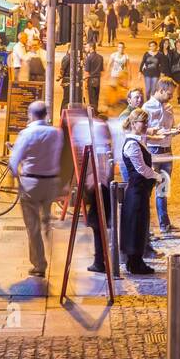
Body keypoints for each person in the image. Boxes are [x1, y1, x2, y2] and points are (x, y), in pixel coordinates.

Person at [7, 100, 64, 278]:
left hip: (31, 183)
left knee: (33, 226)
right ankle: (52, 242)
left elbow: (14, 162)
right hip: (51, 183)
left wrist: (16, 177)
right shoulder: (56, 133)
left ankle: (40, 264)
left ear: (31, 115)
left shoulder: (27, 133)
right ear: (46, 114)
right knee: (45, 217)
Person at [120, 110, 160, 275]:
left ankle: (135, 261)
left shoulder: (137, 140)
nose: (146, 125)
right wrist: (159, 176)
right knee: (136, 225)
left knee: (139, 225)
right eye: (143, 122)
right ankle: (135, 263)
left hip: (140, 191)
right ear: (134, 123)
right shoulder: (131, 144)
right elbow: (141, 169)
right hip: (136, 191)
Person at [142, 79, 180, 234]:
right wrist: (155, 133)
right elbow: (142, 131)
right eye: (169, 93)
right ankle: (145, 227)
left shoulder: (169, 107)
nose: (171, 97)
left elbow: (170, 127)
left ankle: (164, 224)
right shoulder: (146, 107)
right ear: (160, 90)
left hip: (167, 152)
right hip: (153, 152)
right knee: (147, 191)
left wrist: (176, 129)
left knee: (163, 190)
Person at [82, 113, 115, 273]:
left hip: (100, 187)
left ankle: (99, 261)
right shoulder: (105, 144)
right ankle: (99, 260)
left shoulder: (99, 147)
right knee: (99, 225)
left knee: (98, 225)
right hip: (102, 186)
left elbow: (100, 171)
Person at [83, 42, 104, 113]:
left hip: (91, 80)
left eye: (87, 47)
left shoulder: (88, 58)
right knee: (96, 97)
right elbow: (101, 71)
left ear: (91, 48)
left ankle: (93, 113)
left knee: (91, 99)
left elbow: (87, 72)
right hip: (98, 80)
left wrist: (85, 82)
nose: (86, 49)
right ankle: (96, 111)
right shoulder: (100, 57)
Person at [108, 41, 130, 106]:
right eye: (119, 47)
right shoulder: (113, 55)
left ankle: (118, 102)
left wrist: (129, 75)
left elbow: (128, 66)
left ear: (124, 48)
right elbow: (109, 64)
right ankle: (112, 102)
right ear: (117, 48)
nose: (121, 49)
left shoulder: (126, 56)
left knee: (120, 89)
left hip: (121, 75)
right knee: (113, 88)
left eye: (122, 47)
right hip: (114, 74)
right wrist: (108, 73)